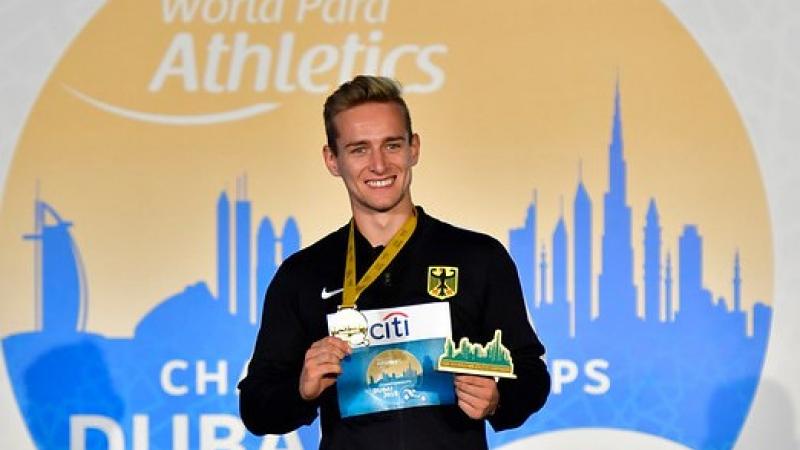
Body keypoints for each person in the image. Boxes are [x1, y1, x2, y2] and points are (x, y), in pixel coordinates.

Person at [238, 75, 550, 449]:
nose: (379, 165)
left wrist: (499, 399)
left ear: (413, 148)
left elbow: (531, 373)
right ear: (332, 159)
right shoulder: (303, 275)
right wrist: (301, 389)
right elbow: (255, 407)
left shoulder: (478, 257)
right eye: (358, 149)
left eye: (392, 145)